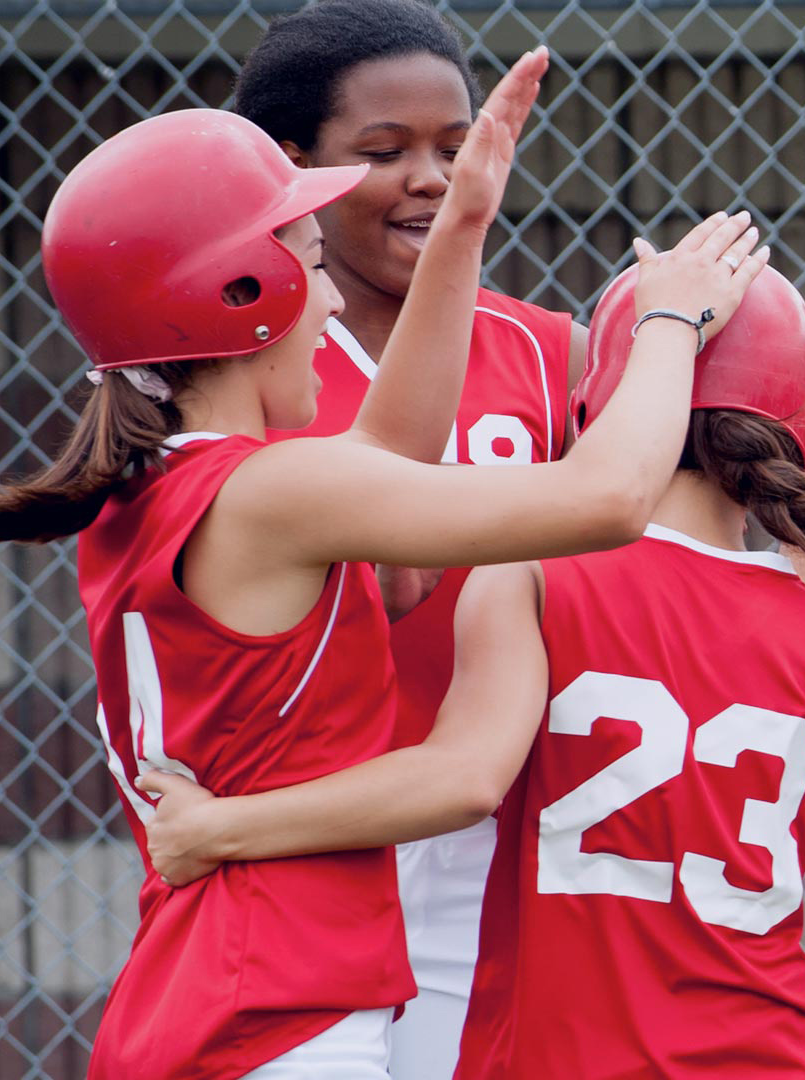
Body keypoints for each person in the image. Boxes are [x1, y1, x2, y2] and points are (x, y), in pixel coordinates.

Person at [0, 56, 771, 1076]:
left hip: (225, 992)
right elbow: (607, 499)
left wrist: (465, 227)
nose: (335, 309)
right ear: (237, 291)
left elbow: (391, 454)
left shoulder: (171, 483)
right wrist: (668, 320)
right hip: (274, 1013)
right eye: (306, 264)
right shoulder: (269, 493)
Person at [132, 264, 805, 1078]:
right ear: (793, 431)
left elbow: (462, 777)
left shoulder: (534, 574)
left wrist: (221, 828)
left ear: (603, 403)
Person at [232, 6, 589, 1070]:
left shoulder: (549, 353)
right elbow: (381, 578)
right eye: (383, 153)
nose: (432, 178)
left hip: (520, 838)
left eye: (454, 144)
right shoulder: (251, 370)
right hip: (325, 833)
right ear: (293, 169)